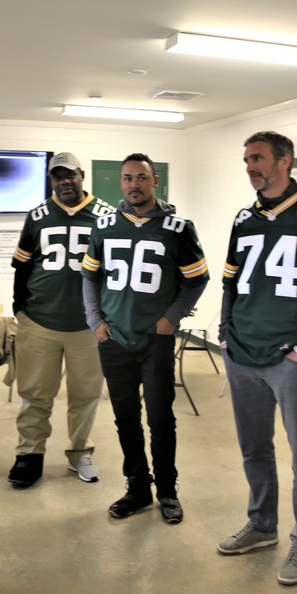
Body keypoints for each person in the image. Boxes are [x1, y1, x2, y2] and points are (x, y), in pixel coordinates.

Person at [215, 131, 297, 587]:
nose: (250, 166)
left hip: (290, 359)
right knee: (254, 449)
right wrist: (224, 331)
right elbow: (231, 281)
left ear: (284, 161)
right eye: (246, 158)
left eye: (257, 158)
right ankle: (262, 525)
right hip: (242, 352)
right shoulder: (243, 217)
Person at [80, 153, 208, 524]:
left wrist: (171, 318)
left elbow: (196, 280)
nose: (133, 184)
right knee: (125, 419)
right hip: (114, 338)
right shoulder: (104, 225)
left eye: (141, 177)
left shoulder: (178, 227)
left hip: (155, 339)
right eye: (127, 178)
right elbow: (90, 276)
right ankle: (137, 487)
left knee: (161, 418)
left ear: (155, 182)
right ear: (120, 183)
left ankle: (167, 489)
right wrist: (95, 321)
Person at [8, 152, 114, 488]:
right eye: (57, 176)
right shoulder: (37, 215)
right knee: (35, 393)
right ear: (50, 180)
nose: (64, 181)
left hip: (87, 325)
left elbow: (114, 271)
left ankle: (80, 452)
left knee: (85, 394)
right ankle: (30, 454)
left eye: (70, 175)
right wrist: (19, 309)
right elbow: (22, 265)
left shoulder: (106, 215)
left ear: (82, 175)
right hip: (40, 320)